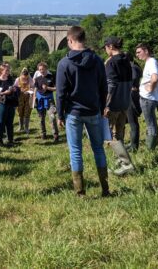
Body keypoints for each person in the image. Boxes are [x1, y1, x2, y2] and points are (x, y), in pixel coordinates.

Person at [56, 26, 109, 197]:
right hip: (94, 111)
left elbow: (61, 92)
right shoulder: (98, 60)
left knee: (75, 151)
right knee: (98, 149)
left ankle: (80, 192)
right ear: (83, 39)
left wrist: (59, 113)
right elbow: (104, 87)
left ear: (70, 40)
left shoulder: (64, 63)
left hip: (74, 113)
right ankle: (105, 189)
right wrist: (101, 108)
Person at [103, 37, 136, 176]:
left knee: (108, 135)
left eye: (105, 47)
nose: (105, 50)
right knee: (119, 133)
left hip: (114, 104)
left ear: (110, 46)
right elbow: (130, 81)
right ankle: (120, 161)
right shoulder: (126, 60)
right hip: (125, 103)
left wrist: (106, 105)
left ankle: (126, 164)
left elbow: (111, 85)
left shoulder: (112, 63)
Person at [135, 43, 158, 150]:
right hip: (149, 98)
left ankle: (150, 149)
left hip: (148, 99)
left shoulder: (151, 62)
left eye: (139, 52)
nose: (137, 55)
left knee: (150, 124)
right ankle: (151, 146)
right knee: (151, 123)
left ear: (146, 51)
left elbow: (155, 78)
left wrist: (150, 87)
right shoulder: (150, 62)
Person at [33, 62, 58, 141]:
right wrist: (34, 99)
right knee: (41, 118)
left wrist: (48, 88)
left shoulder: (52, 77)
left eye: (43, 69)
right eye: (40, 69)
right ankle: (43, 134)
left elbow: (57, 88)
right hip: (40, 100)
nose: (41, 71)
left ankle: (55, 135)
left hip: (49, 100)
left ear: (46, 69)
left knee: (52, 117)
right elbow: (36, 89)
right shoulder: (37, 79)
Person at [0, 64, 18, 147]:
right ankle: (0, 141)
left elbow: (14, 88)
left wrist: (14, 89)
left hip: (11, 103)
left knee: (10, 122)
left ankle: (10, 140)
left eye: (8, 70)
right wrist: (5, 92)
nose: (8, 72)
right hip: (2, 104)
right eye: (6, 70)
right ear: (1, 71)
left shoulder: (10, 79)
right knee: (0, 122)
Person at [126, 53, 143, 152]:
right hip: (132, 94)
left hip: (132, 96)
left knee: (133, 122)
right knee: (132, 121)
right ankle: (132, 144)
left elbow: (133, 80)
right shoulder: (133, 67)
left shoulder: (133, 68)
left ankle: (134, 146)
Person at [14, 67, 34, 133]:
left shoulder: (30, 79)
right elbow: (14, 88)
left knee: (27, 112)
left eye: (26, 77)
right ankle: (20, 127)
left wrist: (30, 90)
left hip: (28, 97)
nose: (25, 78)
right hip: (20, 98)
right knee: (20, 112)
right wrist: (19, 89)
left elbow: (33, 87)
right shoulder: (17, 79)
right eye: (23, 77)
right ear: (21, 75)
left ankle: (26, 128)